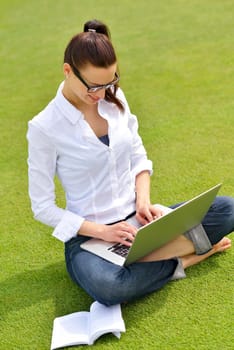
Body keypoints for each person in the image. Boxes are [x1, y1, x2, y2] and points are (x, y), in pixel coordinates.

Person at [27, 19, 234, 306]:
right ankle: (185, 259)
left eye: (109, 83)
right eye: (93, 87)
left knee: (227, 210)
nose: (100, 95)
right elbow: (42, 207)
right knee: (109, 288)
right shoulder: (44, 127)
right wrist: (104, 232)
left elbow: (138, 155)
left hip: (139, 223)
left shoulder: (114, 99)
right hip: (90, 239)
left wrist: (143, 202)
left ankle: (149, 258)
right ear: (67, 71)